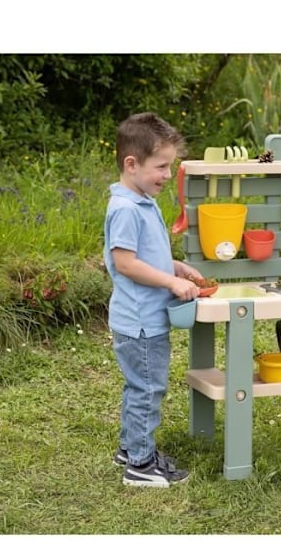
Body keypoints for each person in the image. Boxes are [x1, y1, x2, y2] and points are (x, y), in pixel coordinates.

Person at [104, 112, 203, 488]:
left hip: (143, 319)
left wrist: (175, 267)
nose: (167, 174)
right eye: (161, 166)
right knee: (147, 389)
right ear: (132, 164)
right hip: (140, 322)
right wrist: (170, 282)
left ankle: (130, 449)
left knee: (139, 386)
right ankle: (141, 466)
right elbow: (125, 263)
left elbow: (142, 256)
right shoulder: (127, 209)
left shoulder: (141, 201)